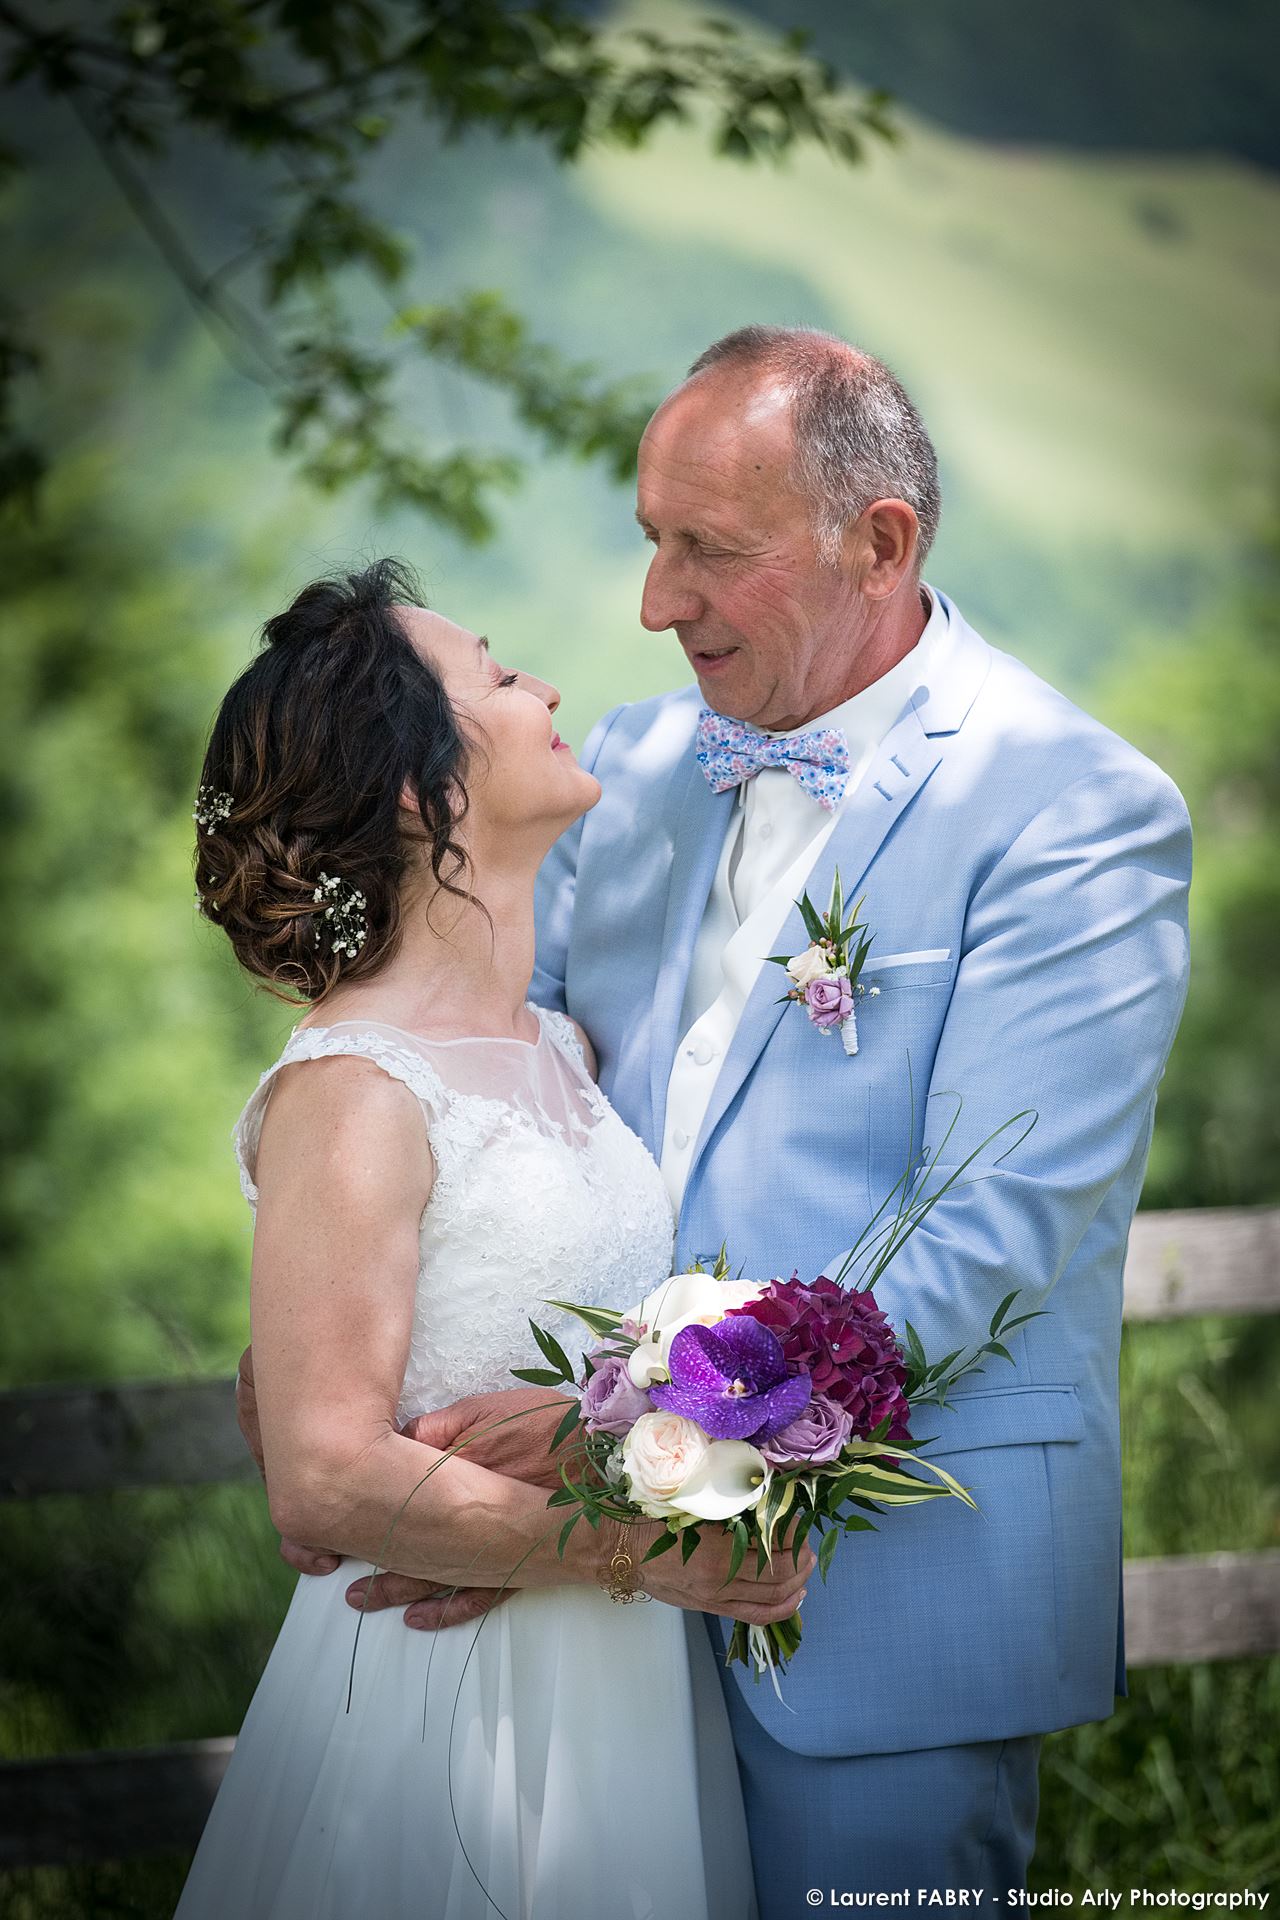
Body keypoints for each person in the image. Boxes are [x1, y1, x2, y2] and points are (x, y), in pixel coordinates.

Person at [244, 328, 1192, 1912]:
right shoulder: (625, 766)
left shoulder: (1074, 810)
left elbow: (985, 1234)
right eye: (648, 539)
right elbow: (453, 1096)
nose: (653, 603)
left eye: (712, 551)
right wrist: (360, 1414)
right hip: (574, 1624)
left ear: (880, 541)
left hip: (881, 1619)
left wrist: (631, 1437)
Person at [175, 559, 810, 1919]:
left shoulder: (559, 1050)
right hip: (447, 1709)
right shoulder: (356, 1086)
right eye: (503, 676)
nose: (550, 689)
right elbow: (323, 1477)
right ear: (422, 792)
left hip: (625, 1701)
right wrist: (651, 1553)